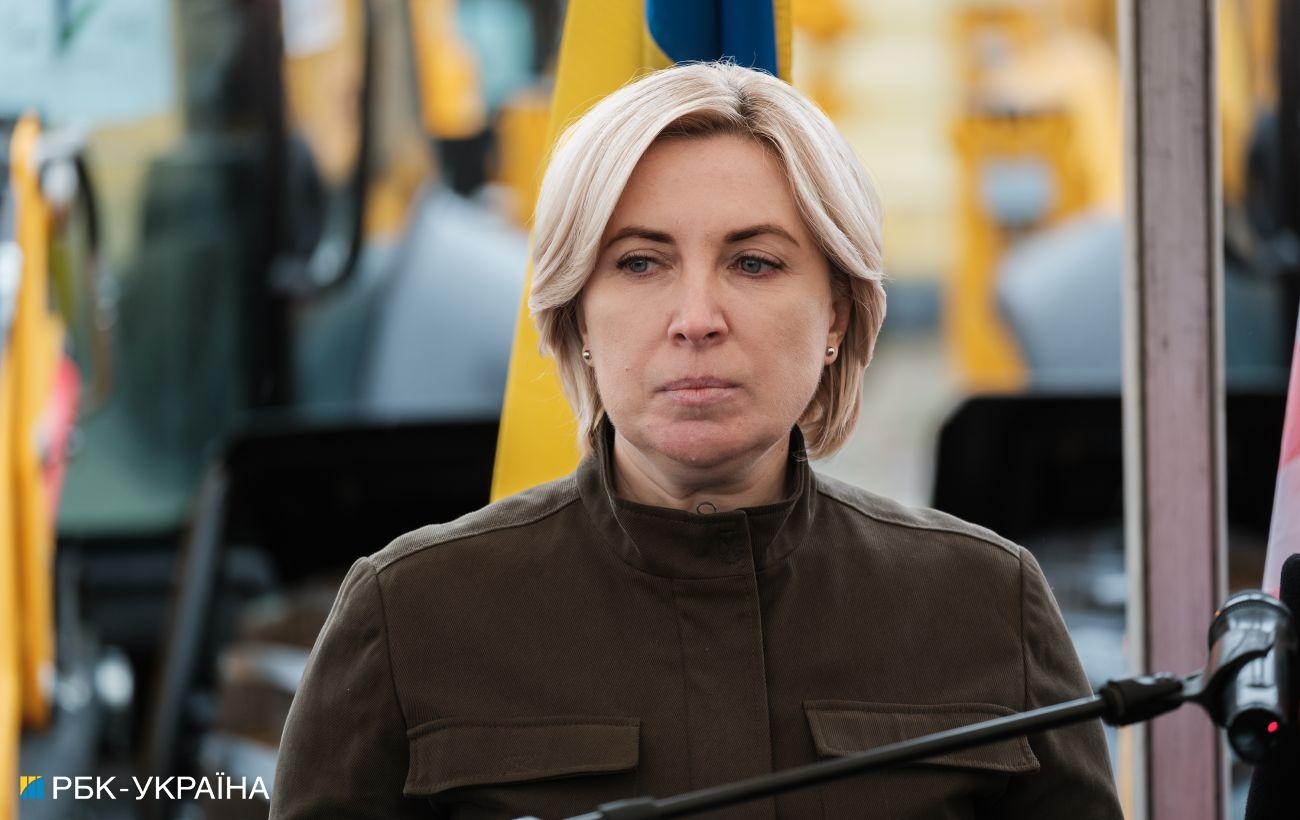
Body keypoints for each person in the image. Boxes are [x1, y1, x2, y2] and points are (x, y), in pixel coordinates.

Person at [269, 60, 1122, 819]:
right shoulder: (411, 616)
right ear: (577, 315)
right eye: (641, 263)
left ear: (837, 315)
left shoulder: (985, 606)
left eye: (754, 263)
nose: (696, 319)